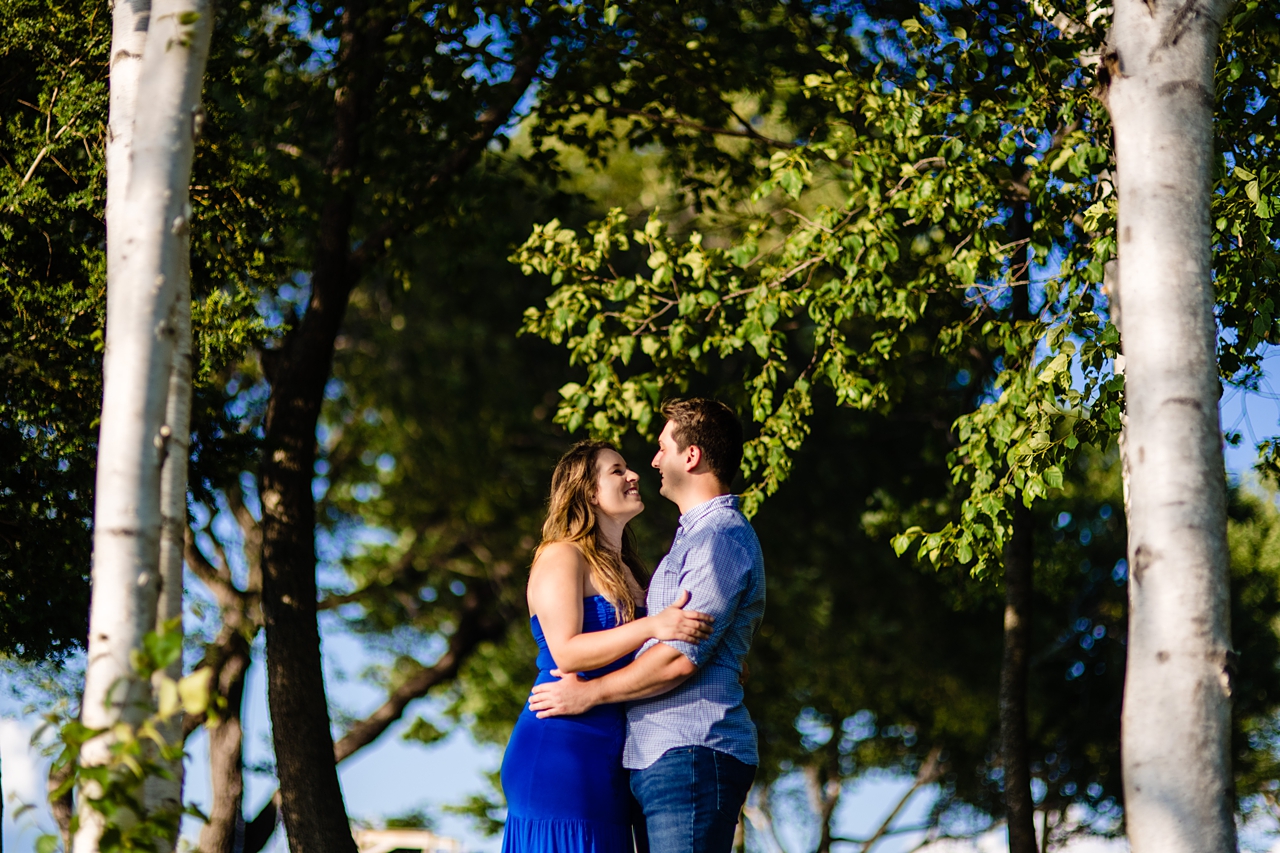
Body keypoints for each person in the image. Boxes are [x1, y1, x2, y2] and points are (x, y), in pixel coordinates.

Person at [530, 399, 766, 853]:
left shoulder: (718, 537)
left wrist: (591, 693)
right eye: (617, 469)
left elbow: (679, 658)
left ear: (691, 456)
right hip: (640, 753)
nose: (651, 462)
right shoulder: (688, 541)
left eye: (661, 448)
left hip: (690, 749)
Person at [500, 440, 715, 853]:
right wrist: (653, 625)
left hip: (616, 756)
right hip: (563, 746)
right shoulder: (561, 555)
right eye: (617, 470)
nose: (634, 475)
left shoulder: (632, 569)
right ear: (589, 492)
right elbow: (566, 651)